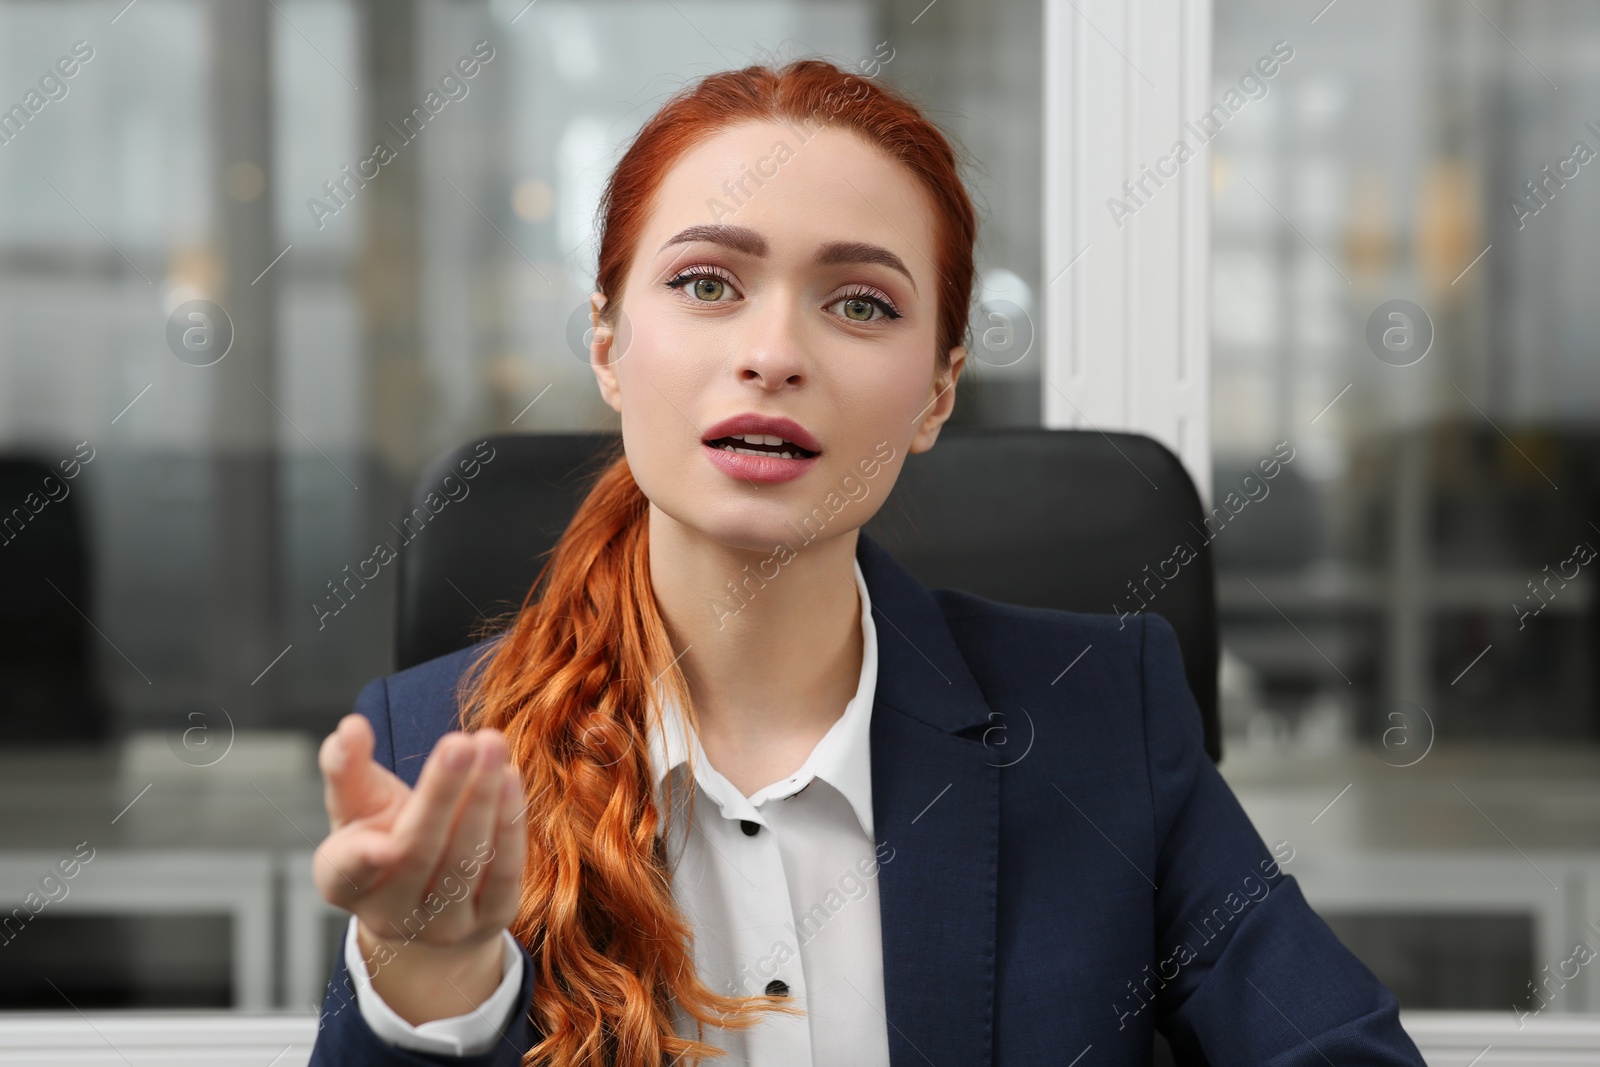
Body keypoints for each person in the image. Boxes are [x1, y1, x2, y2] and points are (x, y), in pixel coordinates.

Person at [306, 57, 1425, 1067]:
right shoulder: (440, 747)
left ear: (936, 391)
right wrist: (435, 987)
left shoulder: (1102, 719)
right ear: (608, 342)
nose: (774, 353)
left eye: (859, 303)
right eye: (706, 284)